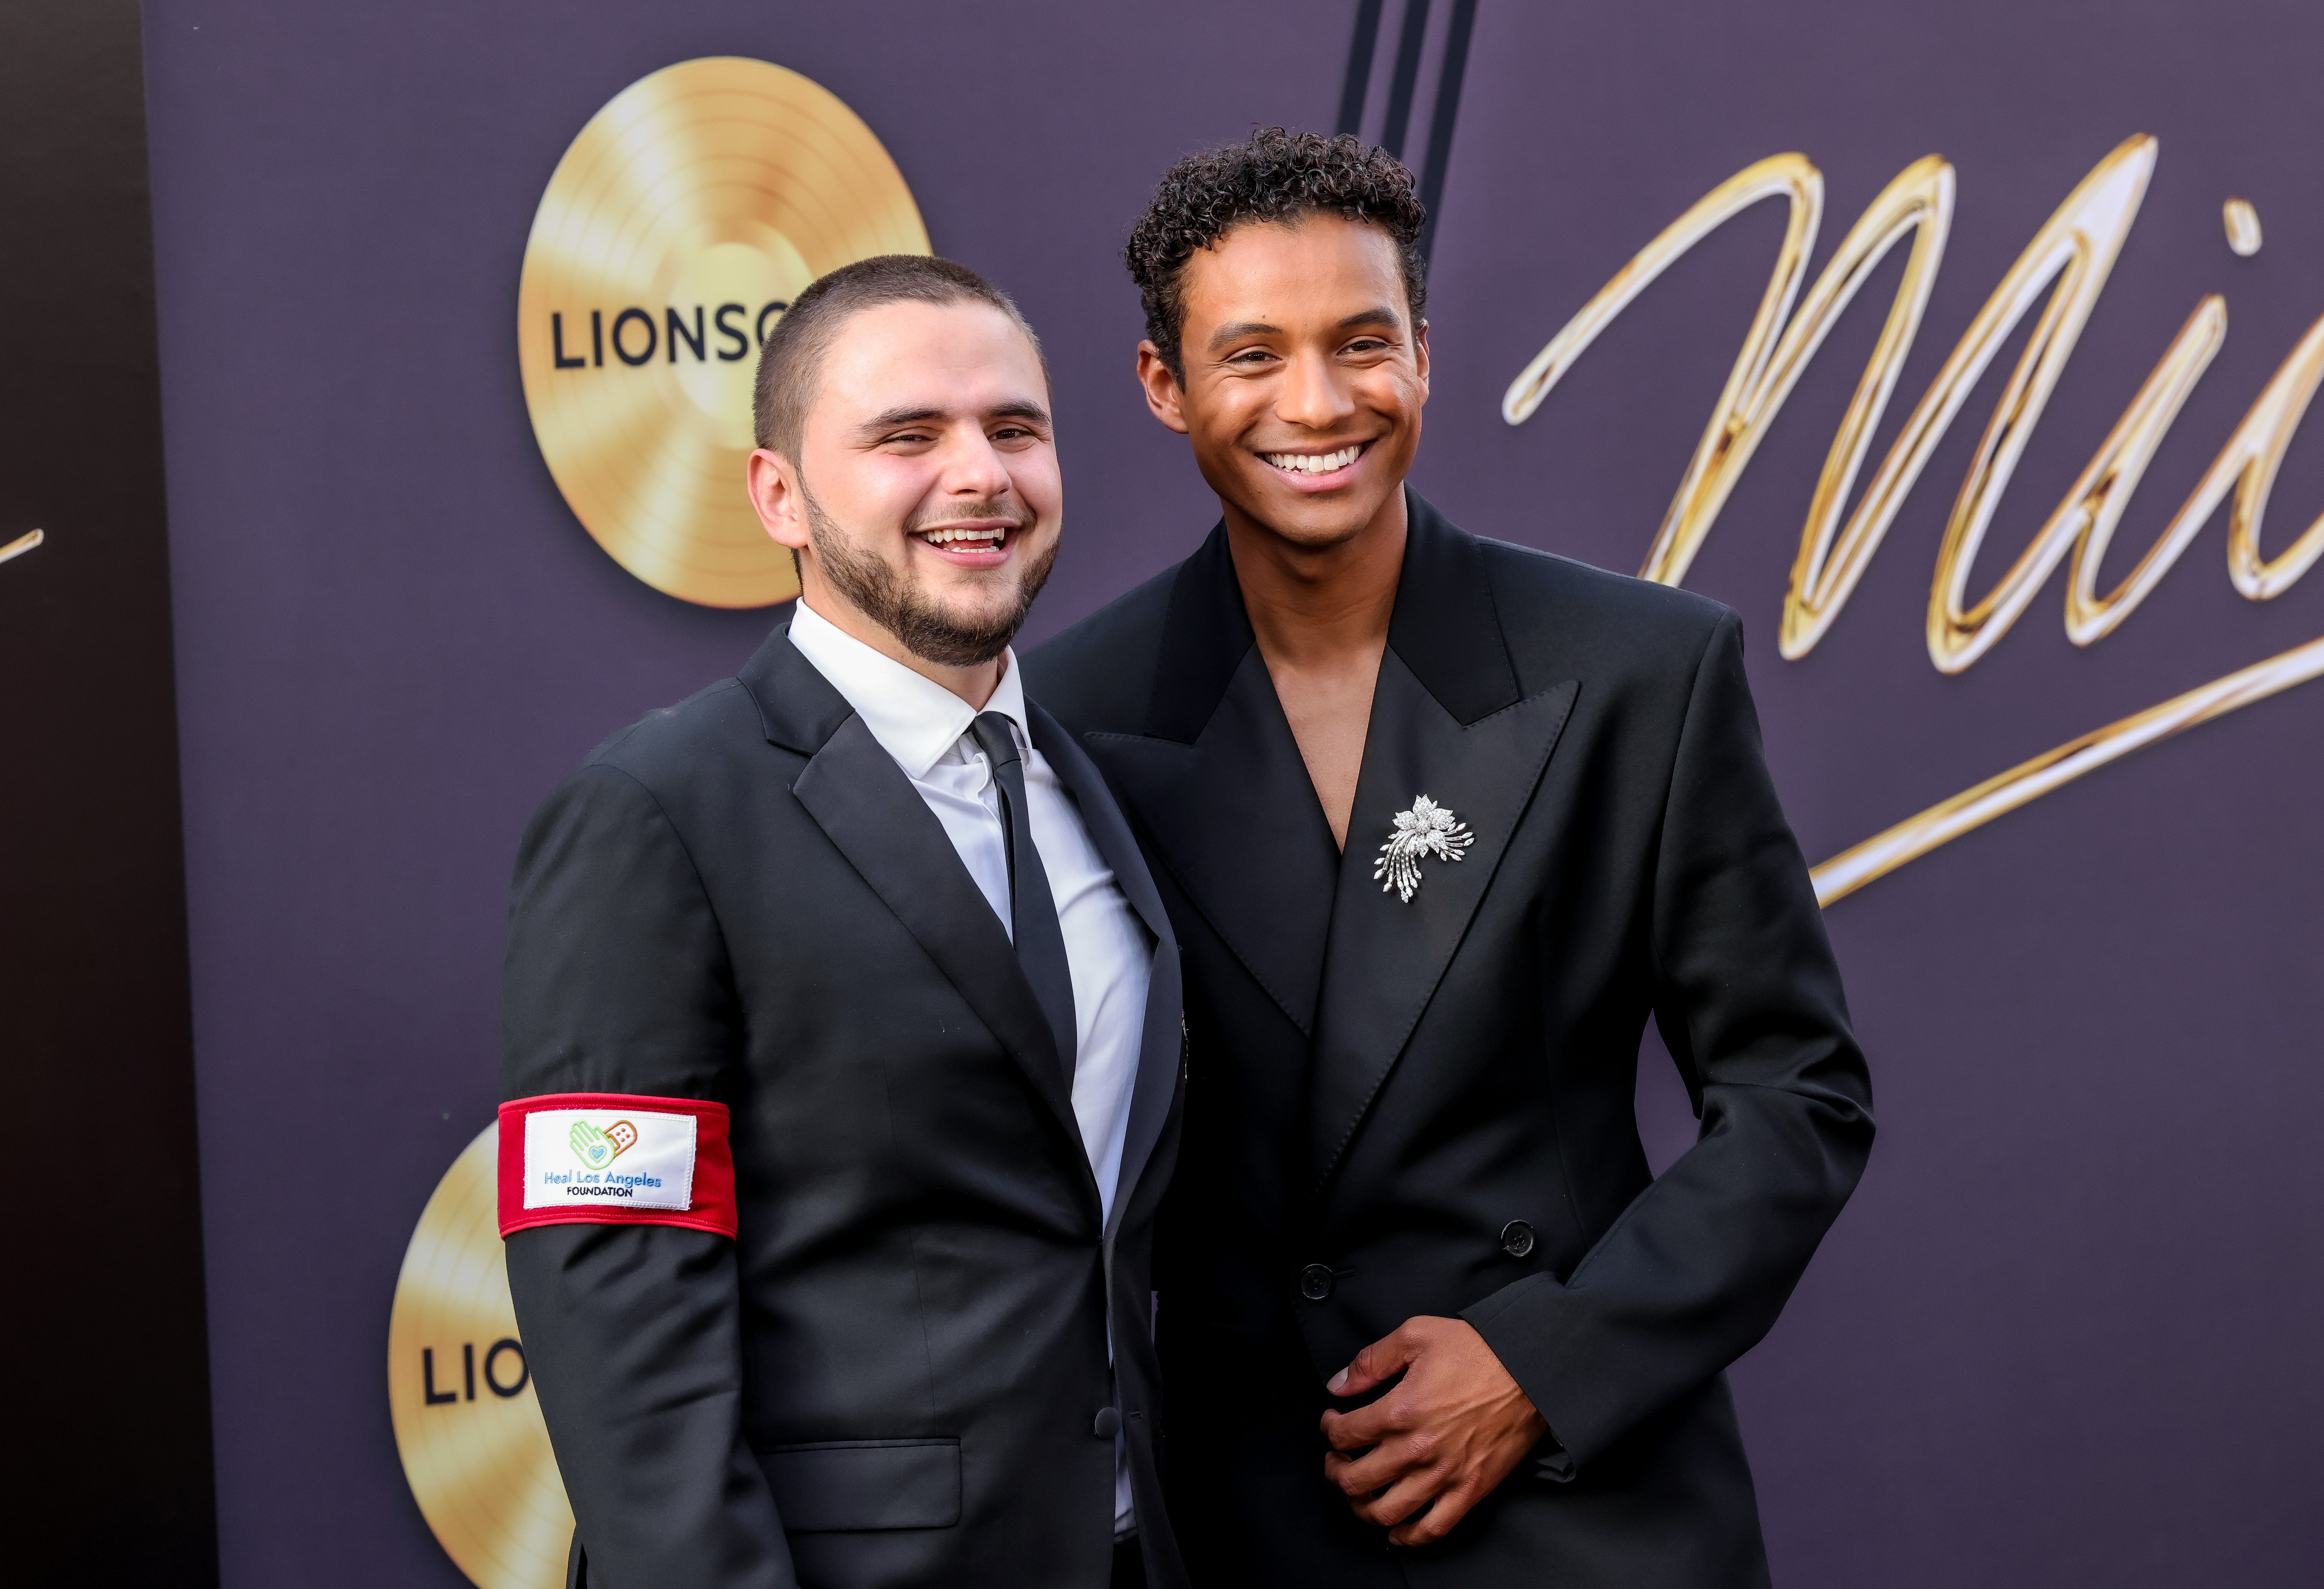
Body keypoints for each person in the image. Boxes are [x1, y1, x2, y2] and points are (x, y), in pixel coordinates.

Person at [1028, 129, 1874, 1584]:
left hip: (1584, 1515)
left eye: (1362, 342)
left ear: (1422, 353)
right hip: (1252, 1519)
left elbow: (1797, 1095)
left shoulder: (1639, 669)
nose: (1317, 402)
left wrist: (1548, 1358)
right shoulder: (1068, 720)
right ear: (1164, 385)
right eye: (1252, 356)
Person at [501, 255, 1187, 1589]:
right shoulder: (657, 812)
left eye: (1015, 428)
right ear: (780, 496)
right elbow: (617, 1316)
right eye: (906, 436)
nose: (980, 474)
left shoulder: (1088, 787)